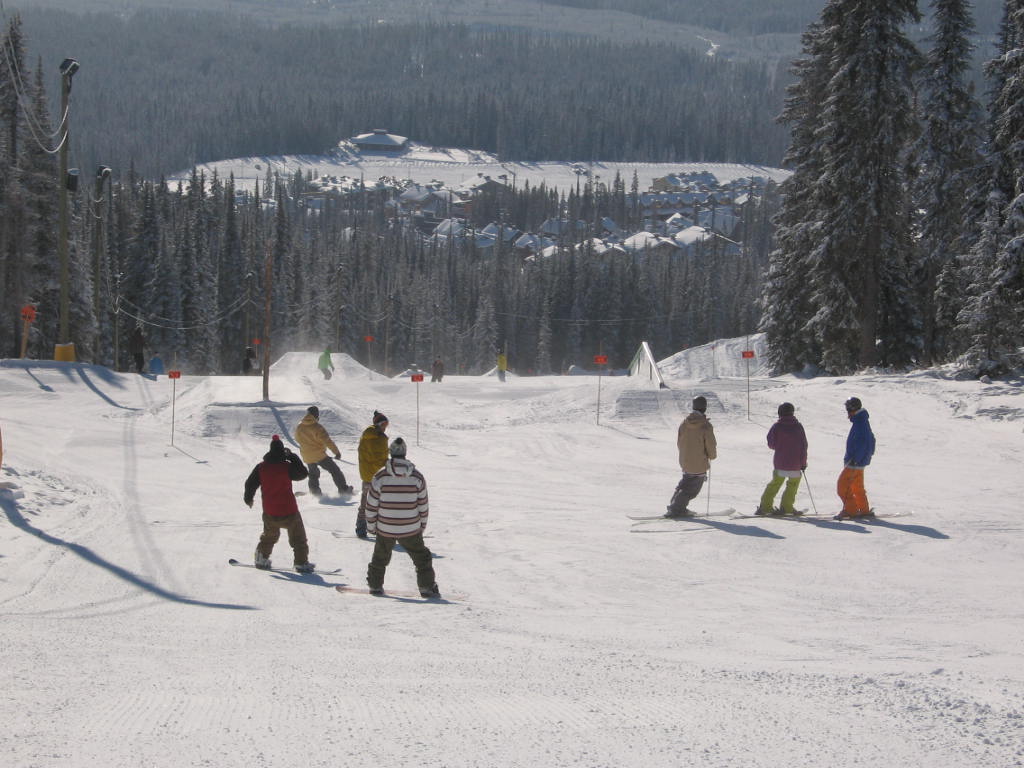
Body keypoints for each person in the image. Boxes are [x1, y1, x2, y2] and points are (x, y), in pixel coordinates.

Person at [365, 437, 440, 598]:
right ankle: (427, 587)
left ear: (390, 453)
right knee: (422, 558)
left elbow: (371, 505)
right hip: (410, 527)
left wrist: (371, 526)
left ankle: (375, 585)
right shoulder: (417, 477)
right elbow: (423, 505)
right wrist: (421, 526)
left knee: (380, 557)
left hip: (385, 526)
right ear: (405, 453)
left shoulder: (380, 476)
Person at [243, 434, 315, 573]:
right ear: (283, 452)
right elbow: (303, 473)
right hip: (289, 510)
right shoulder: (287, 467)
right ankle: (301, 562)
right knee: (298, 538)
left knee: (269, 537)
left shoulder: (261, 467)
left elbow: (250, 484)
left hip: (270, 510)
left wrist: (248, 498)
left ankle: (261, 558)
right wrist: (292, 457)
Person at [665, 395, 718, 518]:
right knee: (692, 489)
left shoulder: (684, 423)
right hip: (699, 463)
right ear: (704, 408)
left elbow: (679, 441)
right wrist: (712, 456)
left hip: (685, 460)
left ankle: (675, 505)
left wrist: (684, 455)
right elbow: (711, 444)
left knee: (685, 484)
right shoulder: (705, 425)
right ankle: (676, 509)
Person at [756, 402, 808, 516]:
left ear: (780, 413)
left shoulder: (777, 426)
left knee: (774, 484)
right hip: (796, 464)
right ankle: (787, 507)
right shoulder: (798, 427)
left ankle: (765, 507)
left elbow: (771, 444)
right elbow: (804, 446)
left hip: (780, 463)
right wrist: (803, 463)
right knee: (792, 486)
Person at [295, 405, 354, 497]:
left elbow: (297, 439)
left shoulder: (299, 426)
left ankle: (315, 493)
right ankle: (343, 489)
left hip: (306, 455)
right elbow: (327, 441)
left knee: (313, 474)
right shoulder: (317, 427)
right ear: (316, 415)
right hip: (319, 455)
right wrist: (336, 452)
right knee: (335, 470)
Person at [835, 397, 876, 519]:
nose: (847, 413)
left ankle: (851, 510)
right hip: (859, 462)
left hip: (854, 462)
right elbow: (871, 440)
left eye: (847, 409)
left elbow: (864, 442)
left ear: (851, 409)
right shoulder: (861, 421)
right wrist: (866, 456)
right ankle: (864, 510)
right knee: (856, 487)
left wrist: (856, 459)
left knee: (842, 486)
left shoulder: (860, 423)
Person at [356, 410, 390, 539]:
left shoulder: (369, 435)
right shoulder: (376, 437)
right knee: (379, 504)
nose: (385, 428)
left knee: (365, 504)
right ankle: (377, 529)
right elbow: (377, 458)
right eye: (383, 425)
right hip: (377, 477)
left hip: (367, 476)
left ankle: (361, 528)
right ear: (378, 425)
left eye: (387, 425)